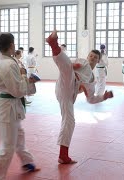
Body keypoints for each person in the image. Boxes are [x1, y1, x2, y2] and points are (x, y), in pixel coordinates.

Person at [46, 30, 113, 164]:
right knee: (66, 68)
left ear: (99, 61)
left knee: (69, 121)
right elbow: (71, 66)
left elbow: (91, 99)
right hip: (67, 81)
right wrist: (73, 66)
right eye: (91, 56)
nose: (92, 59)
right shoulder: (83, 62)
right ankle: (54, 44)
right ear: (87, 57)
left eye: (95, 58)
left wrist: (103, 97)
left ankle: (63, 155)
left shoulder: (92, 80)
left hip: (69, 94)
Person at [0, 33, 39, 180]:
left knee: (19, 135)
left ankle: (27, 161)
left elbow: (17, 85)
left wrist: (26, 79)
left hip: (12, 105)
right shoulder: (7, 64)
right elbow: (17, 90)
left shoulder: (9, 60)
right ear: (12, 45)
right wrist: (28, 80)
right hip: (8, 107)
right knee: (7, 147)